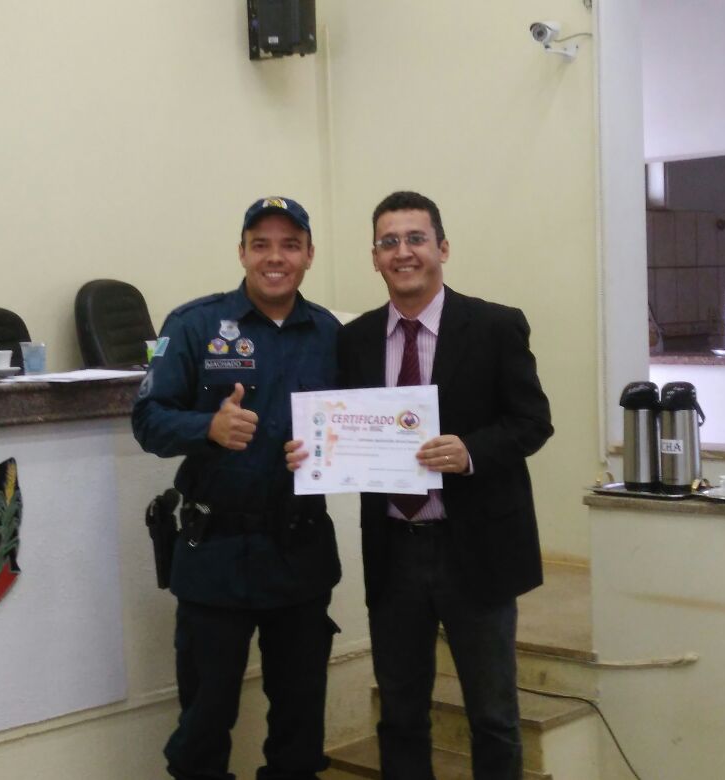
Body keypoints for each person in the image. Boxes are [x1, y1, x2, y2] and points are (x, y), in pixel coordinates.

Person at [290, 190, 553, 779]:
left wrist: (471, 451)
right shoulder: (354, 339)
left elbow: (533, 422)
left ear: (442, 248)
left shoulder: (495, 326)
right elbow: (343, 428)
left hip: (476, 547)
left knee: (493, 715)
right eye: (389, 242)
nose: (403, 252)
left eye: (416, 239)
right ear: (374, 258)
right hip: (394, 549)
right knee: (401, 713)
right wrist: (313, 449)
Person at [132, 196, 342, 780]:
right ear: (242, 252)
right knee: (204, 723)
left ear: (309, 255)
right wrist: (208, 429)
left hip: (299, 553)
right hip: (215, 553)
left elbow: (352, 424)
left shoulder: (330, 333)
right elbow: (147, 419)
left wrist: (329, 450)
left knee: (300, 726)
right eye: (261, 244)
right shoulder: (193, 325)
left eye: (290, 245)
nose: (276, 257)